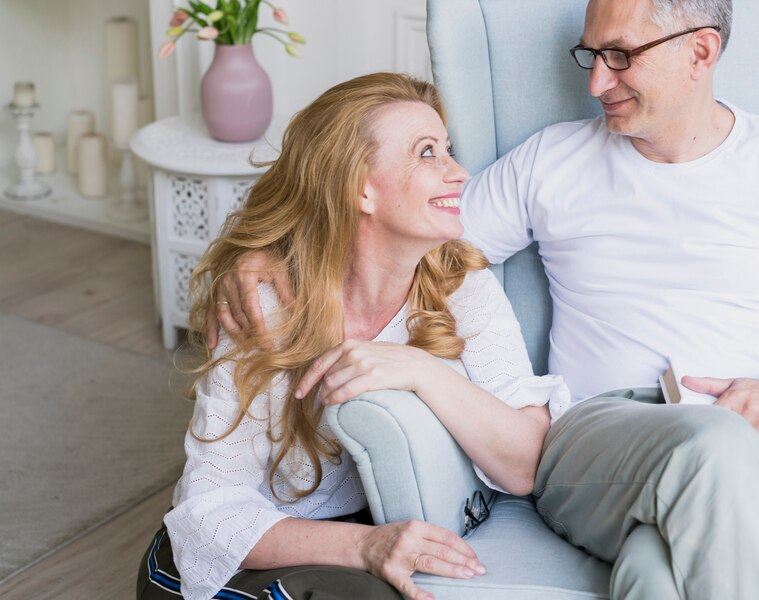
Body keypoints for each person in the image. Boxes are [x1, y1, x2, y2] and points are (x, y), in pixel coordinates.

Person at [209, 0, 759, 598]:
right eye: (591, 56)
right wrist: (266, 254)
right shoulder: (552, 163)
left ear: (701, 51)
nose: (597, 83)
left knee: (659, 573)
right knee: (712, 448)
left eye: (621, 56)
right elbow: (397, 224)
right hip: (593, 443)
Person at [136, 72, 570, 600]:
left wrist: (421, 370)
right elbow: (208, 512)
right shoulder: (261, 300)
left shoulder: (459, 284)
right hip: (240, 557)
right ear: (359, 187)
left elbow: (525, 463)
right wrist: (365, 546)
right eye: (427, 153)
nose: (459, 172)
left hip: (365, 533)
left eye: (448, 150)